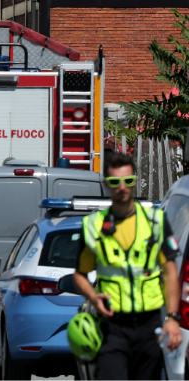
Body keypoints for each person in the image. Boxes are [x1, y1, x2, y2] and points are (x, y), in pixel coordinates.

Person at [74, 151, 182, 379]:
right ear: (107, 184)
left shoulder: (156, 222)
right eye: (115, 182)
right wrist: (94, 299)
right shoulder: (93, 226)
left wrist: (172, 319)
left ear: (134, 182)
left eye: (128, 181)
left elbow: (171, 273)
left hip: (149, 325)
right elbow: (80, 275)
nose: (122, 187)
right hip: (112, 326)